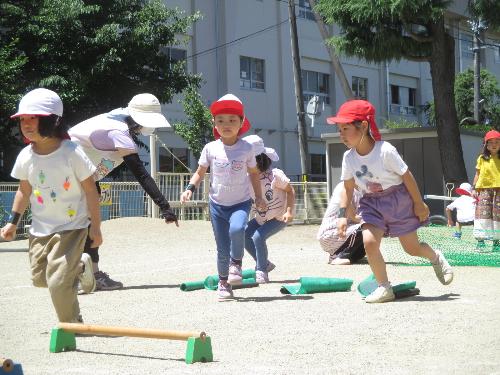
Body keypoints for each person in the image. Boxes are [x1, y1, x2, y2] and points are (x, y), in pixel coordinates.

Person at [329, 99, 454, 303]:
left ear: (364, 126)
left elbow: (407, 176)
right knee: (369, 242)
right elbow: (348, 188)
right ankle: (384, 287)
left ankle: (435, 257)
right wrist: (343, 215)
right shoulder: (348, 157)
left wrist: (418, 203)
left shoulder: (385, 150)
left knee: (411, 249)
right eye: (339, 129)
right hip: (371, 203)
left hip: (398, 200)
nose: (341, 134)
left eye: (345, 128)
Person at [0, 88, 101, 322]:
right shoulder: (26, 156)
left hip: (72, 227)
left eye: (32, 118)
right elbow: (23, 191)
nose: (26, 124)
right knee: (40, 279)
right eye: (22, 119)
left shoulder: (72, 152)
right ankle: (80, 268)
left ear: (52, 121)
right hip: (40, 229)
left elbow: (90, 190)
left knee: (58, 283)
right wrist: (11, 223)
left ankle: (71, 324)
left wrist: (95, 228)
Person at [68, 93, 178, 292]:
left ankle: (91, 273)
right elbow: (142, 175)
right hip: (69, 174)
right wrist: (165, 207)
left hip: (81, 173)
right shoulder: (119, 131)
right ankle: (75, 276)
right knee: (82, 225)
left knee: (89, 223)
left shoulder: (118, 116)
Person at [180, 94, 266, 300]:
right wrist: (190, 188)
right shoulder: (210, 148)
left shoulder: (246, 148)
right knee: (221, 248)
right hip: (217, 204)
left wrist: (259, 197)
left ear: (241, 123)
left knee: (237, 229)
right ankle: (224, 283)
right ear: (214, 124)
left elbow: (254, 173)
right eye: (221, 121)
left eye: (232, 120)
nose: (226, 125)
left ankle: (236, 262)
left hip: (240, 202)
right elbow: (200, 171)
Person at [242, 135, 295, 283]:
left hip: (278, 216)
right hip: (261, 217)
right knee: (244, 234)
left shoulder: (275, 176)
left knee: (258, 236)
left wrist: (289, 211)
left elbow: (290, 191)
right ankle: (265, 263)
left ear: (259, 160)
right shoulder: (246, 179)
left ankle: (261, 270)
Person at [317, 181, 365, 265]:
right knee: (369, 226)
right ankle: (337, 256)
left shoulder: (361, 190)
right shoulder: (344, 188)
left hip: (343, 233)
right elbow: (355, 217)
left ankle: (342, 254)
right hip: (330, 233)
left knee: (369, 239)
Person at [472, 129, 500, 252]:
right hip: (483, 190)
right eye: (491, 142)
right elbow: (477, 174)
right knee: (482, 214)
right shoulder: (482, 158)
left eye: (497, 142)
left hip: (498, 190)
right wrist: (473, 188)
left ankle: (497, 242)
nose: (494, 145)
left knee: (497, 216)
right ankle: (481, 242)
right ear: (486, 144)